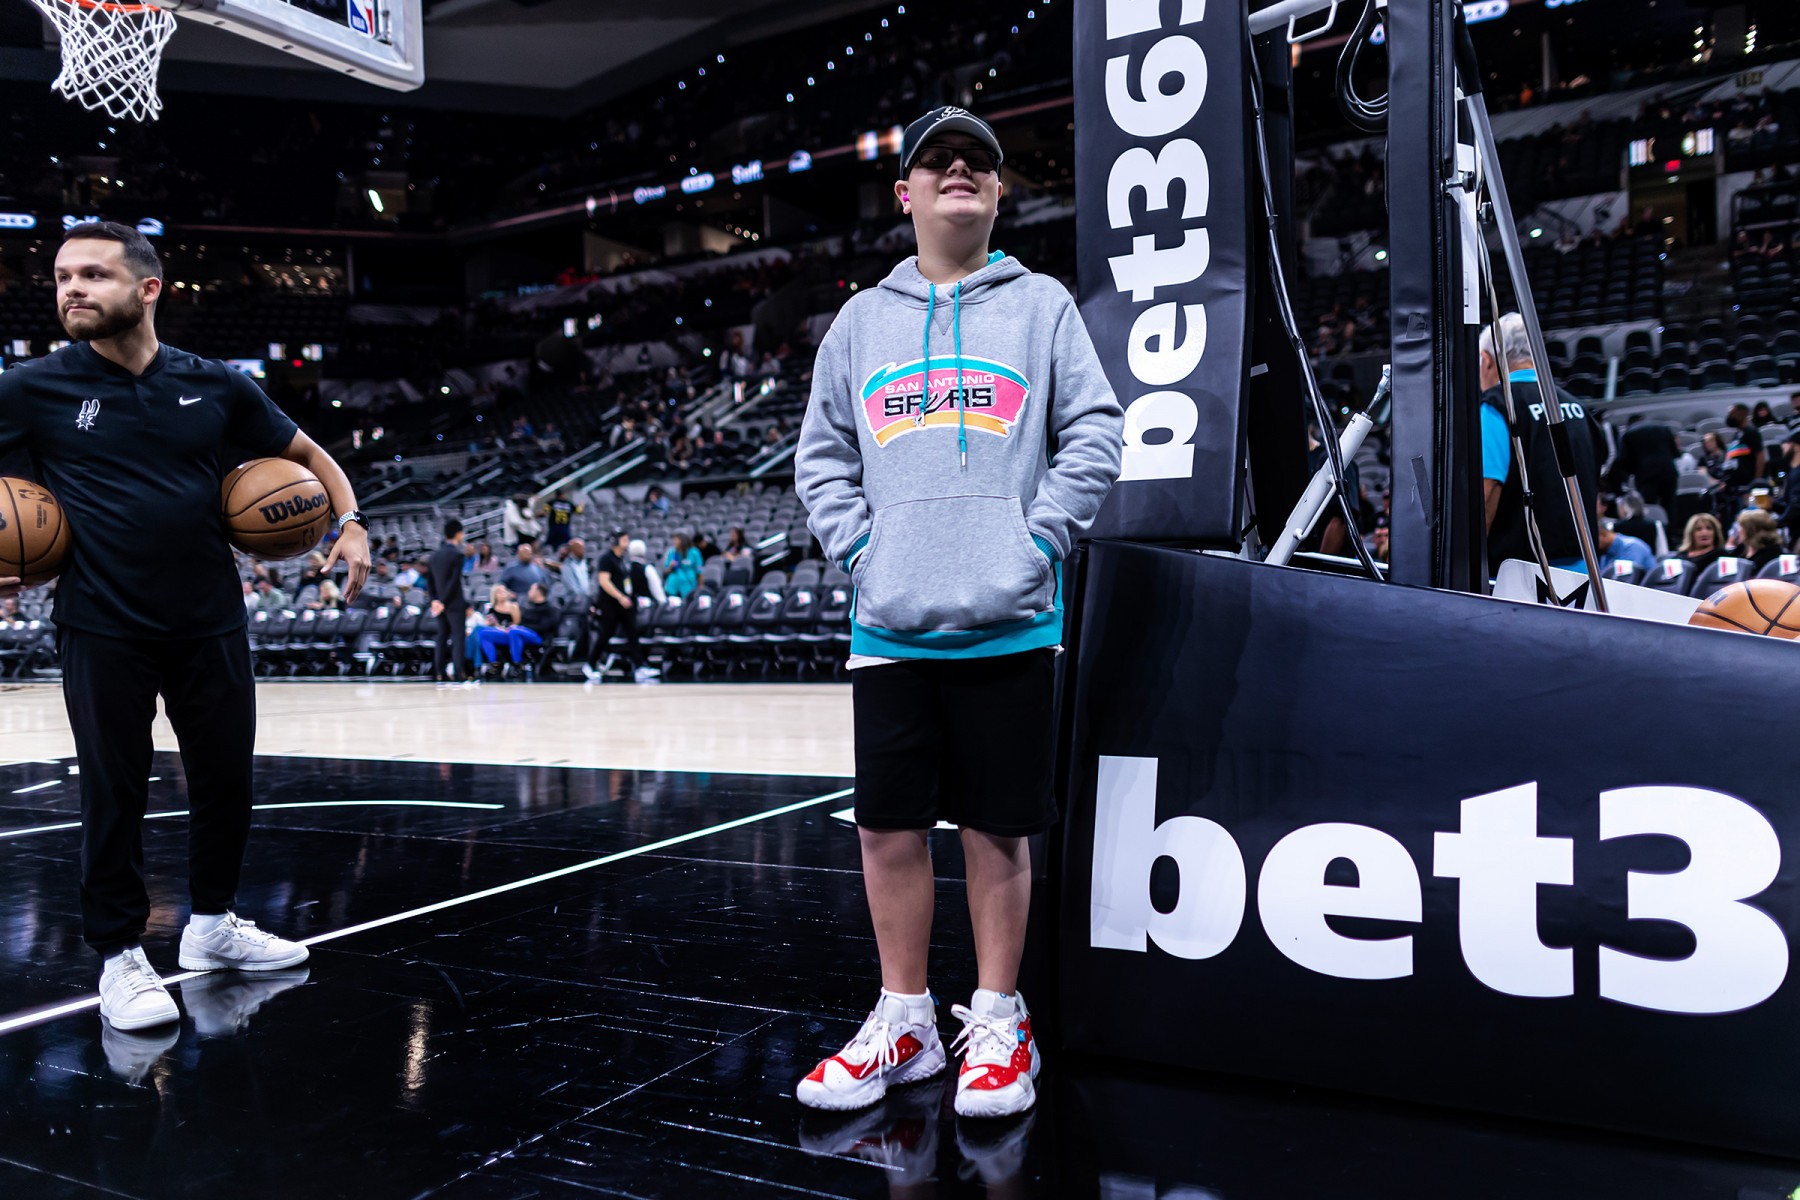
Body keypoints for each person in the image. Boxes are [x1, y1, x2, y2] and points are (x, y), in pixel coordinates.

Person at [792, 107, 1122, 1119]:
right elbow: (821, 457)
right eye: (937, 162)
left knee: (996, 831)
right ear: (906, 194)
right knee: (887, 831)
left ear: (1001, 189)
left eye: (979, 160)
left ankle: (998, 1020)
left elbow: (1096, 433)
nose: (959, 170)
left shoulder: (1043, 307)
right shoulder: (861, 323)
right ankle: (906, 1023)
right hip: (890, 625)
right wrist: (865, 553)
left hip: (1008, 618)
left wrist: (1038, 541)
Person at [0, 221, 371, 1031]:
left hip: (210, 618)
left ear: (148, 289)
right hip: (102, 622)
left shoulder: (218, 384)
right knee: (114, 791)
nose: (70, 289)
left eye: (92, 275)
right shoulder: (31, 387)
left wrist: (350, 522)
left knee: (226, 781)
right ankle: (119, 957)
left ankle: (212, 925)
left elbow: (310, 455)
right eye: (61, 277)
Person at [1478, 313, 1603, 571]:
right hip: (1583, 569)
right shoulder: (1577, 407)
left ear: (1487, 360)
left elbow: (1487, 491)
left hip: (1519, 574)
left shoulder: (1497, 406)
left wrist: (1467, 563)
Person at [584, 529, 643, 681]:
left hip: (625, 603)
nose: (627, 543)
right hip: (610, 604)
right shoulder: (606, 559)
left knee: (632, 633)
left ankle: (640, 667)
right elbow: (604, 582)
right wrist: (620, 596)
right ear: (615, 541)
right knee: (605, 634)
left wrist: (628, 596)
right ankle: (590, 664)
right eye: (624, 540)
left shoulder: (623, 559)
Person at [427, 518, 469, 685]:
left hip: (439, 603)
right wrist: (443, 601)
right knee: (458, 637)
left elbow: (430, 582)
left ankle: (440, 673)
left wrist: (435, 601)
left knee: (442, 637)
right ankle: (459, 674)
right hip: (453, 602)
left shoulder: (434, 556)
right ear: (458, 534)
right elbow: (454, 582)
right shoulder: (458, 555)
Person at [1610, 416, 1680, 514]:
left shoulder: (1629, 434)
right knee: (1670, 505)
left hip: (1646, 476)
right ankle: (1672, 524)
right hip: (1668, 472)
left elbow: (1623, 461)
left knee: (1648, 507)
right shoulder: (1663, 428)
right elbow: (1676, 453)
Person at [1730, 508, 1784, 573]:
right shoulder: (1742, 548)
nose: (1739, 530)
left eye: (1742, 527)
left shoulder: (1773, 553)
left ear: (1752, 531)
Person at [1725, 404, 1767, 481]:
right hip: (1736, 482)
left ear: (1742, 413)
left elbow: (1760, 456)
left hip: (1749, 481)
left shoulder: (1752, 432)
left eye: (1732, 414)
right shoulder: (1736, 434)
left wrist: (1757, 479)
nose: (1730, 417)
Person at [662, 532, 703, 597]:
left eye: (676, 540)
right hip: (674, 584)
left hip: (689, 583)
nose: (674, 542)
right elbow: (666, 572)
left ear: (683, 541)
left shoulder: (694, 552)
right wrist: (670, 567)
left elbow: (699, 571)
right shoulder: (672, 552)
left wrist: (701, 587)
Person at [628, 538, 667, 604]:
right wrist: (663, 602)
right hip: (647, 606)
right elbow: (657, 591)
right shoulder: (648, 569)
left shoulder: (626, 569)